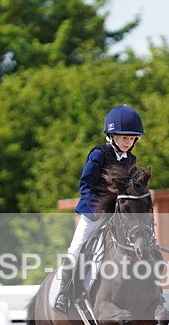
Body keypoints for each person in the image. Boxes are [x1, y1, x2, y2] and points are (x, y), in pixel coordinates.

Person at [53, 104, 145, 313]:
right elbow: (85, 184)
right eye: (123, 137)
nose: (127, 142)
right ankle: (64, 293)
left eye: (131, 139)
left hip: (116, 215)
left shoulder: (131, 160)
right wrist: (97, 211)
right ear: (112, 136)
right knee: (76, 249)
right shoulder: (99, 154)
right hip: (93, 212)